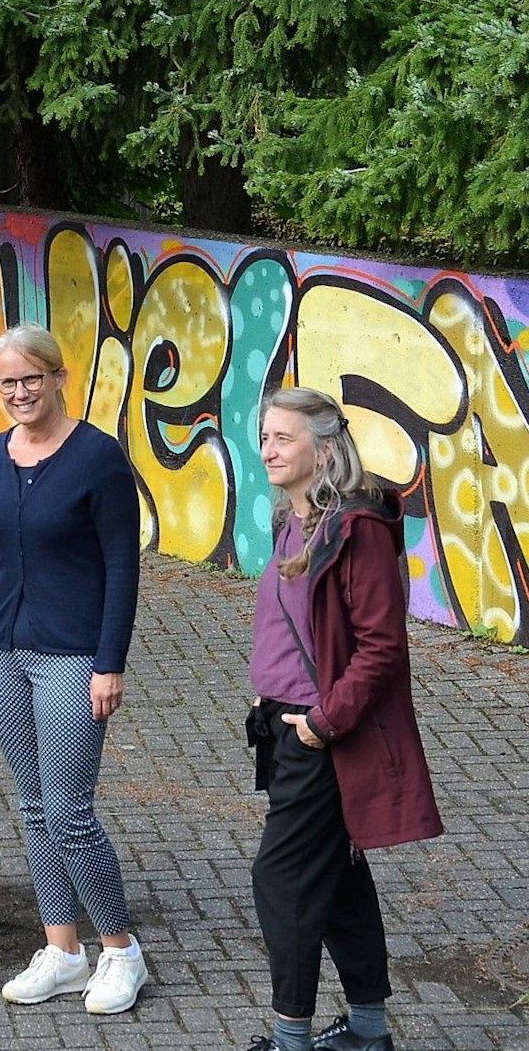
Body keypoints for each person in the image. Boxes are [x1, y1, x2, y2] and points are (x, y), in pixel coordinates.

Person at [0, 323, 150, 1015]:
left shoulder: (97, 458)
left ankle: (121, 950)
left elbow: (123, 566)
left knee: (69, 812)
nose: (19, 392)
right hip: (4, 654)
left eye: (31, 378)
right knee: (35, 807)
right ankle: (63, 951)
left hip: (73, 657)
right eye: (7, 382)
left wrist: (109, 663)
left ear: (59, 377)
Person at [242, 387, 442, 1051]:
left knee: (284, 878)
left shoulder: (356, 529)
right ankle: (367, 1031)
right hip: (287, 723)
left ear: (325, 449)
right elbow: (297, 627)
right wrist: (277, 704)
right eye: (265, 437)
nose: (268, 449)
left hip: (323, 735)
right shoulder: (294, 520)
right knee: (337, 878)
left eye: (283, 438)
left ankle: (290, 1038)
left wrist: (321, 723)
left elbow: (382, 647)